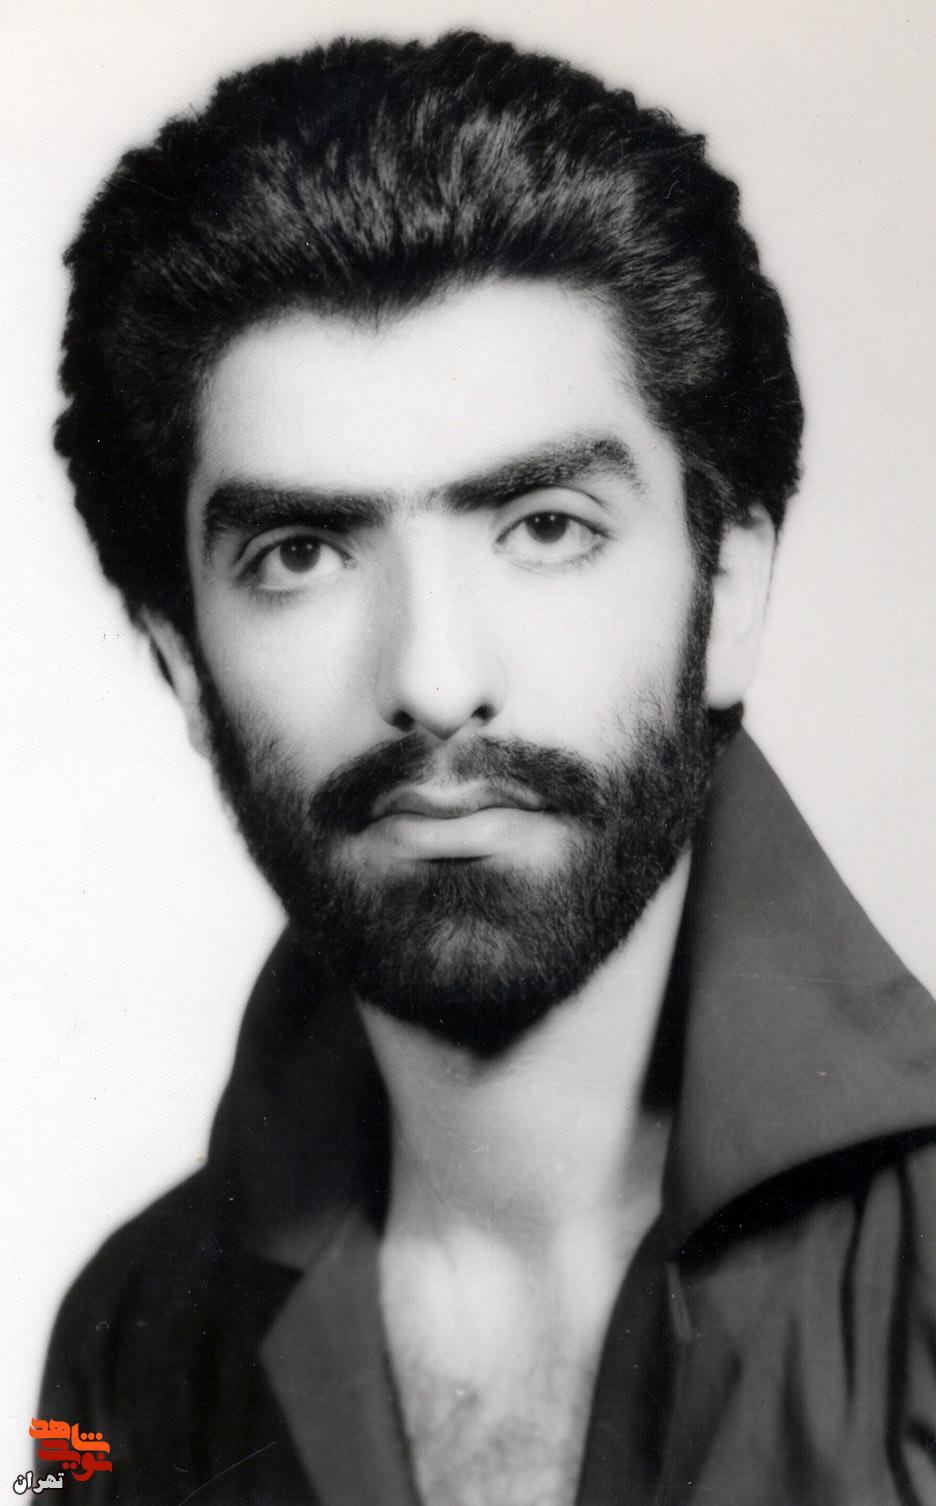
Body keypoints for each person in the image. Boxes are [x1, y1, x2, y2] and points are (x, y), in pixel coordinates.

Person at [39, 29, 936, 1506]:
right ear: (185, 663)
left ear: (731, 591)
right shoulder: (119, 1351)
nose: (434, 677)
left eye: (544, 526)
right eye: (301, 553)